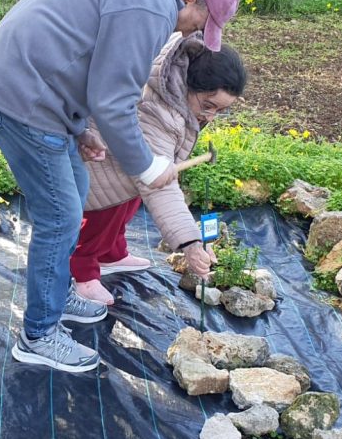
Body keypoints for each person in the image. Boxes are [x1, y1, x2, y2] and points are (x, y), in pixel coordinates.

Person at [0, 0, 239, 373]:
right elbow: (113, 102)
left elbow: (84, 59)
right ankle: (38, 334)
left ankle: (55, 296)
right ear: (188, 0)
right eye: (201, 22)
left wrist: (79, 128)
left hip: (38, 95)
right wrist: (148, 167)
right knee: (61, 217)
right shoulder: (149, 3)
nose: (196, 31)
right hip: (21, 99)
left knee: (72, 195)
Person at [72, 34, 247, 304]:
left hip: (124, 165)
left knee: (126, 203)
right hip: (101, 163)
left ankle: (111, 254)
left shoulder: (177, 93)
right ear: (190, 84)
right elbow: (161, 188)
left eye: (219, 111)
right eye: (208, 106)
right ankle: (82, 274)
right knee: (102, 215)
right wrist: (190, 243)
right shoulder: (157, 109)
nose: (210, 117)